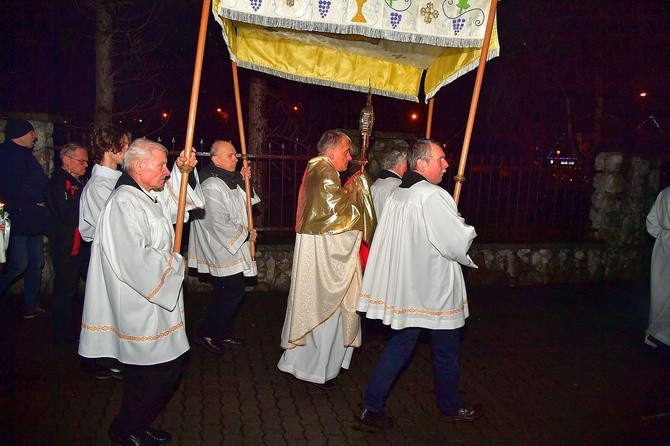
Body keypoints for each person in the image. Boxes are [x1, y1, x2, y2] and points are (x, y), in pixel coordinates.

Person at [78, 139, 202, 446]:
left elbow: (173, 207)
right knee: (156, 374)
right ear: (138, 167)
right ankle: (125, 429)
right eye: (161, 165)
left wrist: (182, 170)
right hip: (138, 303)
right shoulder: (124, 203)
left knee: (158, 372)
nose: (165, 172)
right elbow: (134, 259)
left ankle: (138, 424)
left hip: (153, 302)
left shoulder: (145, 194)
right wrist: (172, 264)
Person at [356, 138, 482, 429]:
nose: (447, 164)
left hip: (412, 287)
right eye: (440, 159)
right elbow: (455, 243)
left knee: (401, 344)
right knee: (446, 351)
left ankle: (371, 405)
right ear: (422, 164)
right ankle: (450, 407)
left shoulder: (400, 193)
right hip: (434, 290)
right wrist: (460, 225)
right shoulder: (432, 195)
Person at [278, 130, 375, 390]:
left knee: (322, 310)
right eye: (346, 151)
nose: (350, 156)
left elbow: (335, 207)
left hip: (323, 253)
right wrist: (359, 186)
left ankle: (307, 365)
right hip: (325, 261)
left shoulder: (321, 171)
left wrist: (354, 183)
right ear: (331, 152)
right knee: (326, 310)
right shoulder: (323, 172)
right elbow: (337, 214)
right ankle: (315, 370)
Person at [188, 141, 259, 354]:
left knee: (229, 293)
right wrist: (246, 233)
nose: (235, 159)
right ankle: (206, 333)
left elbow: (248, 202)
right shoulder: (211, 184)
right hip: (220, 247)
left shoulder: (231, 178)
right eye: (230, 156)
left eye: (235, 155)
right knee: (231, 293)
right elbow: (217, 221)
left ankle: (221, 333)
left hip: (230, 247)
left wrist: (245, 181)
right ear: (215, 159)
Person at [0, 119, 50, 319]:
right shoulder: (4, 156)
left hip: (34, 220)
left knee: (36, 263)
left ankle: (32, 306)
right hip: (18, 220)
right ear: (20, 134)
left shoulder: (27, 156)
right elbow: (9, 187)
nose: (35, 137)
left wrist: (43, 198)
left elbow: (41, 183)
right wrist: (36, 198)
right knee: (18, 264)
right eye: (31, 133)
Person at [45, 143, 90, 343]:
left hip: (80, 247)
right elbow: (68, 214)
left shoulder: (77, 181)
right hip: (68, 247)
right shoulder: (60, 183)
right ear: (67, 160)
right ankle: (60, 335)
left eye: (86, 161)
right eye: (81, 161)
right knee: (65, 290)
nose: (85, 165)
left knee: (86, 288)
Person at [645, 186, 670, 348]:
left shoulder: (666, 192)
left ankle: (657, 333)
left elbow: (652, 222)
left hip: (664, 245)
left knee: (661, 291)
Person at [371, 149, 407, 216]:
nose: (407, 170)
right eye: (406, 166)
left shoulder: (375, 184)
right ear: (397, 166)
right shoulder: (398, 185)